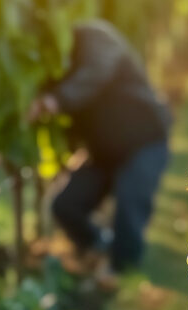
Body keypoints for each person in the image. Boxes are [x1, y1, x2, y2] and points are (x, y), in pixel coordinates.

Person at [28, 19, 171, 280]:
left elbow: (96, 72)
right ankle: (98, 248)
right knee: (64, 204)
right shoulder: (51, 66)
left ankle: (122, 274)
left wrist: (55, 100)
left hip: (143, 141)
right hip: (103, 152)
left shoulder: (95, 38)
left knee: (129, 204)